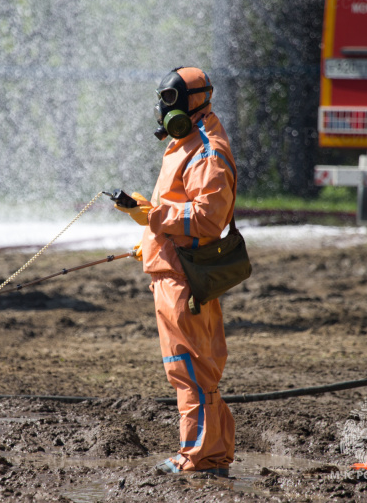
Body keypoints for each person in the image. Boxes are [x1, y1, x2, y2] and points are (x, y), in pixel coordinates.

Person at [114, 66, 236, 475]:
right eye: (163, 99)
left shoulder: (206, 150)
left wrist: (151, 216)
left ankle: (196, 457)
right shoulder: (187, 143)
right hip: (174, 269)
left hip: (183, 279)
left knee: (188, 367)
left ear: (198, 100)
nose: (165, 109)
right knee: (199, 367)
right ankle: (213, 455)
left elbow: (207, 219)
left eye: (172, 99)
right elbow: (181, 213)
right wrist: (150, 240)